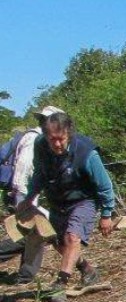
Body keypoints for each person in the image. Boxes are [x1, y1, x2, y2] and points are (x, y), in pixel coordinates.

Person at [16, 112, 115, 302]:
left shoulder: (86, 152)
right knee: (59, 243)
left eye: (60, 139)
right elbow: (39, 174)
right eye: (52, 139)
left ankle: (60, 283)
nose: (57, 144)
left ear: (68, 133)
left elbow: (104, 185)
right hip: (57, 201)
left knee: (73, 237)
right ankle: (87, 269)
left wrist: (106, 213)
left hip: (83, 200)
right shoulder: (40, 147)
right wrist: (29, 198)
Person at [11, 105, 64, 284]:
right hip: (25, 194)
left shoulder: (42, 140)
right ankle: (26, 276)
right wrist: (26, 200)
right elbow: (24, 171)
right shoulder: (34, 140)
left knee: (34, 234)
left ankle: (25, 276)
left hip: (27, 195)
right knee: (38, 233)